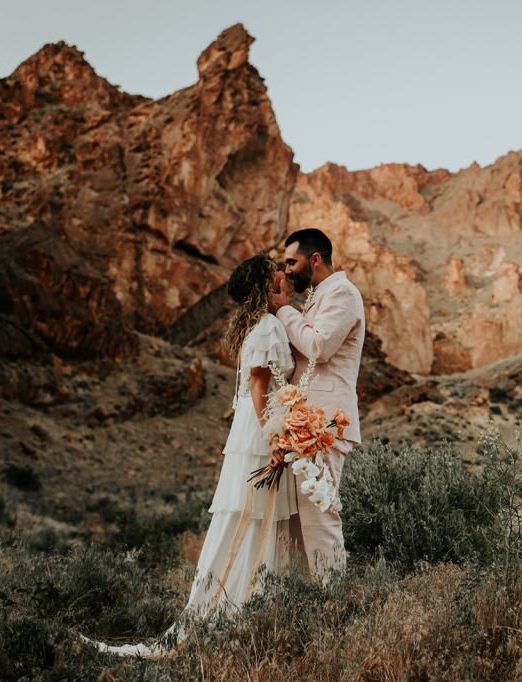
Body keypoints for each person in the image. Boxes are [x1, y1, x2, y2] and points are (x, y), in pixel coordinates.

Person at [84, 254, 298, 657]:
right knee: (255, 519)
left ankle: (242, 610)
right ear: (265, 286)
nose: (283, 277)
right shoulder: (268, 326)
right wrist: (273, 436)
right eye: (276, 274)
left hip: (255, 430)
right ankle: (238, 613)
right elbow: (258, 387)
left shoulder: (260, 325)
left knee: (255, 520)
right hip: (260, 433)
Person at [271, 228, 365, 581]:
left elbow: (319, 347)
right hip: (305, 422)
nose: (288, 270)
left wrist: (284, 310)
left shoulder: (342, 293)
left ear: (315, 259)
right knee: (300, 521)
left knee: (319, 513)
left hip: (326, 422)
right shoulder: (319, 296)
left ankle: (332, 597)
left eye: (291, 262)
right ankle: (309, 595)